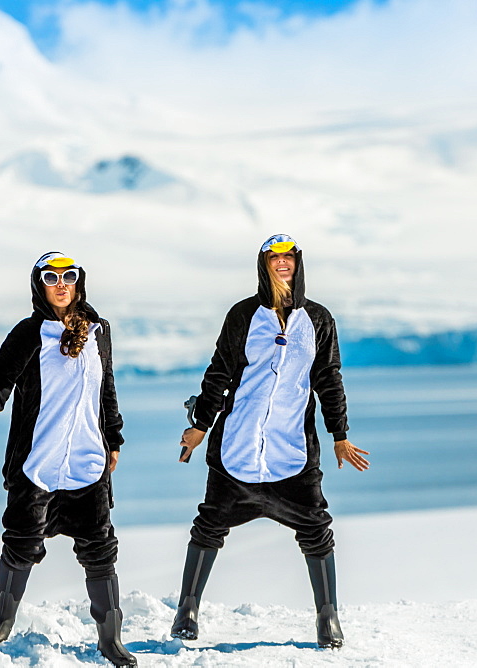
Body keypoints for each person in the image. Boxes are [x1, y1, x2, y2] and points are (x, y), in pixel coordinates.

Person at [0, 252, 137, 667]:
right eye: (51, 277)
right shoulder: (27, 334)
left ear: (80, 283)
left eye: (69, 276)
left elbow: (106, 387)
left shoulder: (99, 331)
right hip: (37, 464)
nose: (61, 283)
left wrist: (113, 438)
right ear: (39, 285)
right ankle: (3, 617)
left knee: (100, 549)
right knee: (21, 542)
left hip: (87, 463)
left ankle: (110, 637)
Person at [171, 233, 370, 649]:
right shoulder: (243, 315)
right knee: (209, 525)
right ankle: (187, 608)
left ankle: (327, 616)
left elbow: (329, 380)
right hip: (236, 446)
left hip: (291, 450)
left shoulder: (318, 320)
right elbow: (219, 374)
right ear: (263, 265)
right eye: (274, 258)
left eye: (289, 258)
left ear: (298, 263)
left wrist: (340, 435)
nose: (282, 264)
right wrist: (200, 426)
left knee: (316, 528)